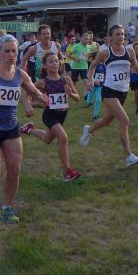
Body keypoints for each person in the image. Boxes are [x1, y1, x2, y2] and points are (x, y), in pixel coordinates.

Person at [0, 34, 44, 221]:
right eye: (7, 51)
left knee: (14, 169)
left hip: (10, 126)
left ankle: (6, 207)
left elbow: (34, 91)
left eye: (14, 51)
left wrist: (44, 98)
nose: (11, 55)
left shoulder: (20, 74)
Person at [79, 24, 138, 167]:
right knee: (124, 120)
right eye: (117, 34)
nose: (121, 37)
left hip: (123, 92)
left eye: (122, 34)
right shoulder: (105, 53)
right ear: (111, 37)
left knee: (106, 121)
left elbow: (135, 65)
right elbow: (93, 65)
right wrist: (90, 80)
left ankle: (88, 130)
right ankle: (129, 156)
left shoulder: (130, 51)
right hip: (109, 91)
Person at [21, 52, 82, 181]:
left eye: (56, 61)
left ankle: (29, 129)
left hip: (62, 115)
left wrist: (71, 94)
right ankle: (67, 171)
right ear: (45, 66)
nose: (55, 63)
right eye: (51, 62)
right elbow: (25, 94)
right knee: (63, 138)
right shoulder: (42, 82)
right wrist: (28, 105)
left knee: (47, 139)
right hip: (50, 115)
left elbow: (78, 98)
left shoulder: (66, 79)